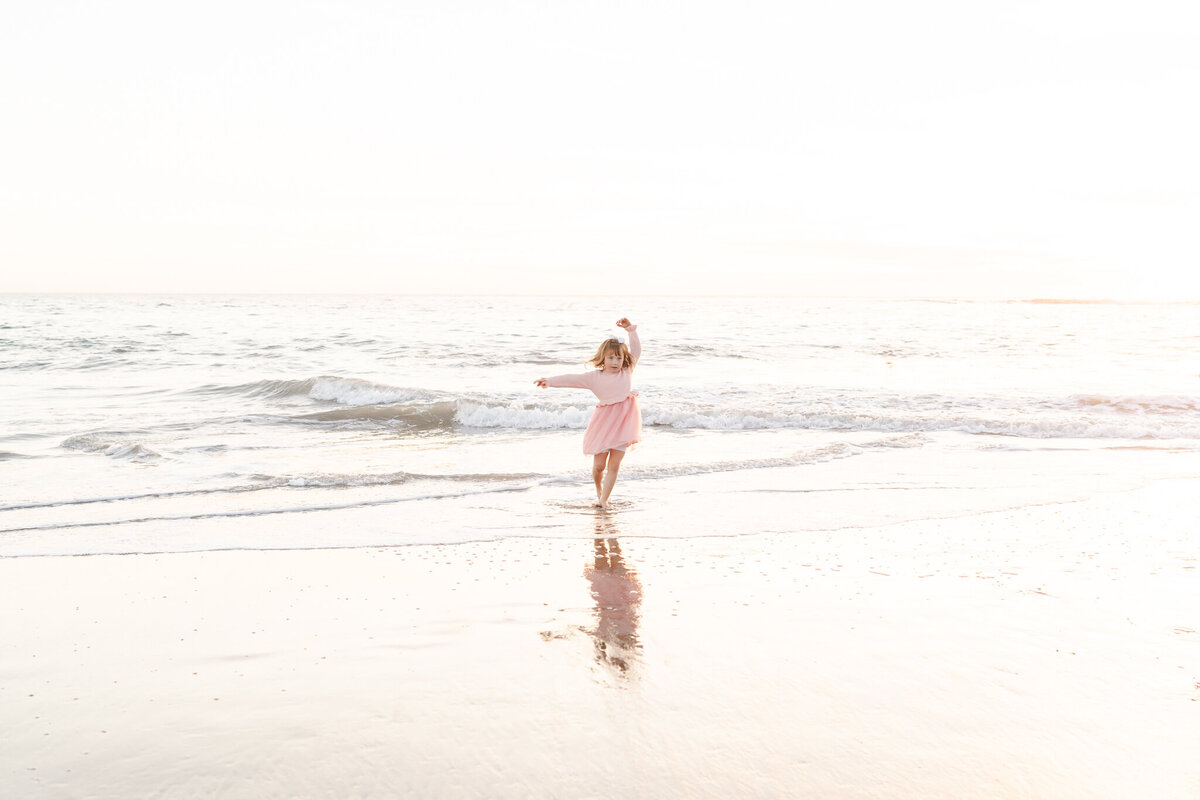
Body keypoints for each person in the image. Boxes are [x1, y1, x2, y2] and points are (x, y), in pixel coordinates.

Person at [535, 318, 642, 509]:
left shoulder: (627, 370)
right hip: (603, 423)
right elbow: (571, 379)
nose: (615, 362)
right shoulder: (594, 378)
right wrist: (549, 381)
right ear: (603, 358)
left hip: (625, 422)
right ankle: (598, 491)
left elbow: (636, 350)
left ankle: (604, 501)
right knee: (599, 466)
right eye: (611, 358)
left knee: (614, 465)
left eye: (618, 358)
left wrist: (631, 331)